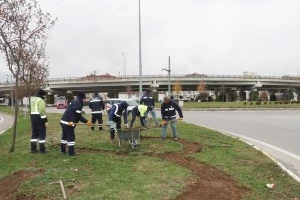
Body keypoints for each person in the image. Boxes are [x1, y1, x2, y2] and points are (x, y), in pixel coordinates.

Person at [30, 89, 48, 153]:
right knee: (42, 134)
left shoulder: (33, 100)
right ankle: (42, 149)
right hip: (39, 118)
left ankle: (33, 149)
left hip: (33, 118)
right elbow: (42, 111)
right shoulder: (41, 101)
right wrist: (45, 121)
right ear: (43, 95)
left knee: (34, 134)